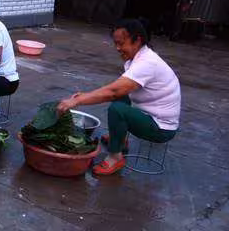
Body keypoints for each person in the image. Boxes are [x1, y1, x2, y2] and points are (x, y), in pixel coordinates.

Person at [57, 19, 180, 175]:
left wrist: (77, 100)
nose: (117, 48)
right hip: (147, 114)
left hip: (161, 128)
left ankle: (115, 157)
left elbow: (113, 91)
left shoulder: (148, 63)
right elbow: (119, 88)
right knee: (122, 97)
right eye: (115, 43)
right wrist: (87, 95)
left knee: (117, 109)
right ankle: (119, 139)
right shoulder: (138, 58)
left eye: (121, 43)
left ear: (137, 40)